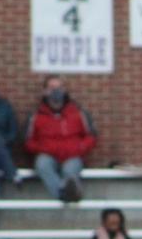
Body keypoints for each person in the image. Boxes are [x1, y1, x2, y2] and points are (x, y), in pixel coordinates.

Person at [23, 75, 95, 203]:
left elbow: (91, 135)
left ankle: (67, 193)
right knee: (42, 164)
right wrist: (43, 148)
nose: (56, 91)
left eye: (59, 87)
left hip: (72, 156)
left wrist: (81, 147)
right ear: (45, 91)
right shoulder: (36, 116)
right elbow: (28, 140)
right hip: (48, 156)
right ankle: (63, 194)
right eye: (51, 88)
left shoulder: (78, 113)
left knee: (69, 170)